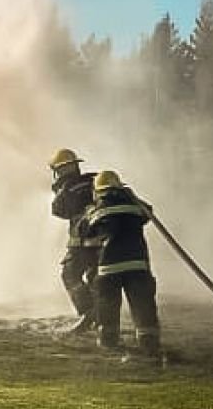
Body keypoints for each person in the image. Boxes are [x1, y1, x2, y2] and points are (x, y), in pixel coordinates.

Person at [79, 169, 161, 359]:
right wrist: (132, 197)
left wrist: (89, 211)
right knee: (143, 305)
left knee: (107, 305)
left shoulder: (97, 210)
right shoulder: (135, 206)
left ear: (98, 191)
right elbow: (148, 213)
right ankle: (149, 342)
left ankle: (109, 341)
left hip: (109, 267)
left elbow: (83, 230)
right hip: (137, 265)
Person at [49, 148, 99, 334]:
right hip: (104, 240)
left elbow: (58, 211)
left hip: (81, 243)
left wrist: (59, 191)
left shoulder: (67, 188)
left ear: (59, 170)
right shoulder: (95, 181)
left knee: (70, 274)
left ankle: (88, 313)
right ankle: (101, 320)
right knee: (96, 278)